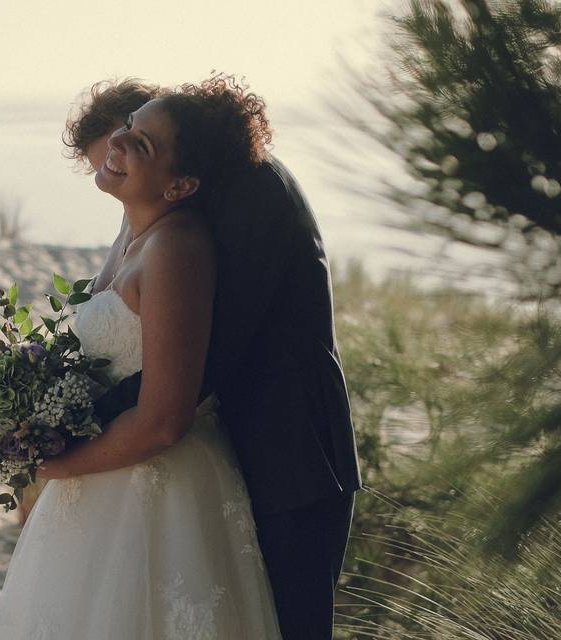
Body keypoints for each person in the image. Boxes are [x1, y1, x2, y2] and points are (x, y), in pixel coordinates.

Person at [0, 75, 283, 639]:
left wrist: (49, 464)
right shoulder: (137, 231)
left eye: (140, 144)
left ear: (181, 184)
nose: (117, 144)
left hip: (156, 491)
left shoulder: (177, 250)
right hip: (103, 476)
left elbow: (165, 419)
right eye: (127, 128)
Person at [69, 77, 362, 639]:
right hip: (207, 457)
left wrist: (64, 427)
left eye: (130, 143)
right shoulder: (160, 202)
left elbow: (198, 363)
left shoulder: (247, 190)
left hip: (287, 460)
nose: (115, 157)